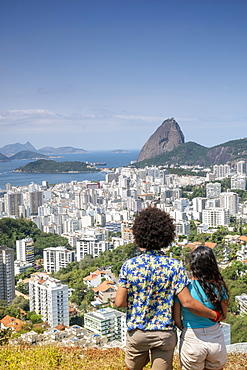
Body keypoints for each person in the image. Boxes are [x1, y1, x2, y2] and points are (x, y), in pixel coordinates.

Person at [115, 207, 221, 370]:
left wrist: (140, 300)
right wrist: (214, 315)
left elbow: (120, 302)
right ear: (166, 235)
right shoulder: (174, 266)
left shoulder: (129, 266)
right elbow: (187, 302)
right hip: (164, 333)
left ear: (138, 234)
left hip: (137, 332)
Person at [173, 245, 229, 370]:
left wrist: (186, 328)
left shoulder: (184, 288)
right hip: (215, 337)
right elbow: (223, 316)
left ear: (193, 264)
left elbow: (176, 320)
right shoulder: (219, 286)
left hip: (192, 337)